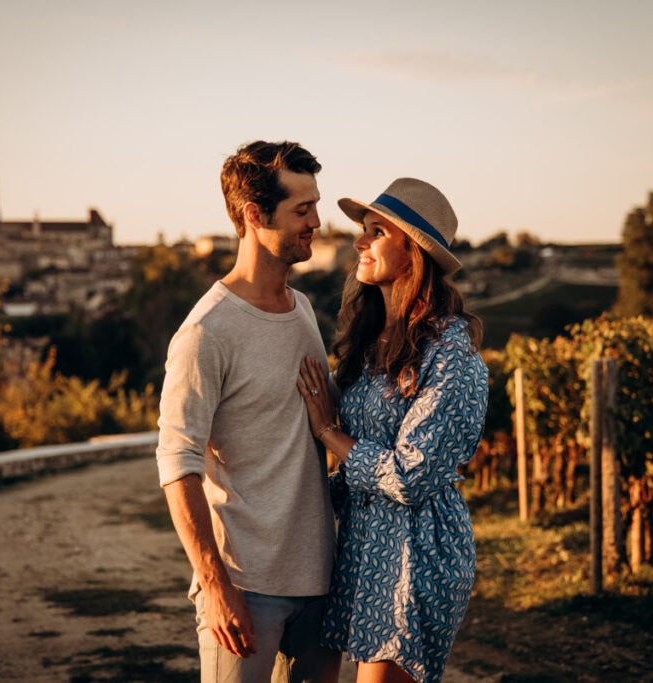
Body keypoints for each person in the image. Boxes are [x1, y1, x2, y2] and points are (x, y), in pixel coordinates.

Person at [157, 140, 340, 683]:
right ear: (254, 215)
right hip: (246, 587)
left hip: (322, 583)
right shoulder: (205, 333)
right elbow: (177, 463)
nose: (317, 222)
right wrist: (214, 584)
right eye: (301, 210)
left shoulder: (304, 309)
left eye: (315, 205)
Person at [297, 178, 489, 683]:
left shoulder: (451, 351)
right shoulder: (372, 339)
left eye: (376, 231)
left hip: (417, 553)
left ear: (415, 252)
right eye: (363, 229)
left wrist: (327, 433)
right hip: (365, 551)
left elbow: (409, 475)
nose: (359, 242)